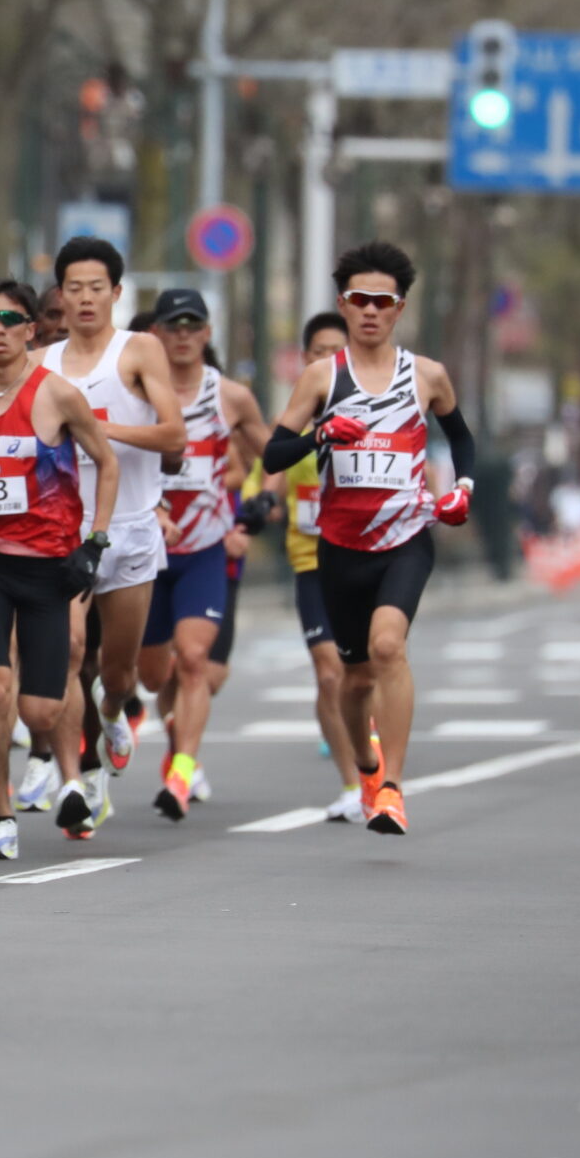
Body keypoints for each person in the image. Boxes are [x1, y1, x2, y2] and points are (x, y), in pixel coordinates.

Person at [263, 240, 478, 836]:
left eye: (383, 301)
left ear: (399, 308)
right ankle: (364, 762)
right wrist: (321, 433)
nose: (370, 311)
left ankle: (392, 789)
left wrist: (462, 487)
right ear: (344, 303)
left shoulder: (427, 376)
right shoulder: (321, 377)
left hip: (406, 537)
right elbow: (274, 454)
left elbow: (462, 439)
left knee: (388, 648)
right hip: (340, 547)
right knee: (352, 679)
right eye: (359, 300)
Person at [0, 280, 117, 859]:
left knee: (40, 708)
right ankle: (1, 815)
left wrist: (94, 542)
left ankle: (62, 769)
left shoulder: (58, 394)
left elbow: (107, 462)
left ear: (30, 330)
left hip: (50, 567)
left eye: (10, 320)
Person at [36, 238, 184, 831]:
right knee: (70, 651)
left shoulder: (139, 350)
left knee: (117, 672)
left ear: (117, 294)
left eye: (97, 288)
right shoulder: (42, 363)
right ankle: (75, 779)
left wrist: (102, 429)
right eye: (74, 288)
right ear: (61, 297)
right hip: (64, 529)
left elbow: (174, 436)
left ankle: (116, 711)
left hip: (131, 524)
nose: (86, 298)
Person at [135, 288, 267, 820]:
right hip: (147, 551)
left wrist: (262, 501)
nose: (185, 335)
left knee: (194, 660)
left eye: (194, 325)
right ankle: (175, 734)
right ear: (157, 336)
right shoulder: (136, 394)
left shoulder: (230, 397)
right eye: (174, 326)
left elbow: (270, 451)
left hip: (206, 551)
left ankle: (183, 773)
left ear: (207, 334)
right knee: (149, 677)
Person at [254, 311, 373, 821]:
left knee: (362, 674)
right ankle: (352, 783)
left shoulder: (375, 411)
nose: (327, 360)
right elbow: (272, 464)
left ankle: (373, 761)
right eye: (318, 351)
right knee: (329, 675)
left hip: (365, 559)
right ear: (305, 359)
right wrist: (260, 502)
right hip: (311, 562)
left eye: (336, 351)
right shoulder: (300, 412)